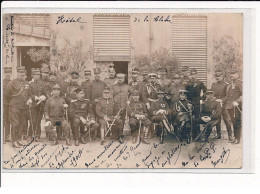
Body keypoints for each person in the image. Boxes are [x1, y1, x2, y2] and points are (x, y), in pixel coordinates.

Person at [5, 66, 30, 148]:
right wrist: (12, 103)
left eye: (23, 74)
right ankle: (14, 141)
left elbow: (29, 94)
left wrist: (29, 99)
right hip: (14, 107)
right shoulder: (12, 83)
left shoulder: (26, 83)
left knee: (21, 124)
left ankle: (18, 140)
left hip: (24, 107)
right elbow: (7, 95)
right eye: (20, 74)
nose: (22, 76)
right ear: (17, 74)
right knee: (15, 124)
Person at [222, 68, 242, 144]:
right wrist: (221, 101)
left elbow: (243, 94)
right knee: (233, 122)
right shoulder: (230, 84)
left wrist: (237, 101)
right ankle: (235, 138)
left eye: (233, 74)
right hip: (229, 106)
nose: (231, 75)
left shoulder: (240, 83)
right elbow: (227, 96)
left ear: (238, 75)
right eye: (231, 74)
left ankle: (237, 139)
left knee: (237, 122)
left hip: (236, 106)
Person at [185, 68, 207, 139]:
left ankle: (197, 133)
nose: (193, 76)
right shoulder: (188, 83)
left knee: (197, 117)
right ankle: (189, 133)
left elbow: (205, 91)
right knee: (189, 117)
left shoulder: (200, 83)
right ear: (190, 75)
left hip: (197, 102)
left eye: (194, 74)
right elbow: (185, 93)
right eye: (192, 74)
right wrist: (187, 101)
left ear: (196, 74)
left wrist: (202, 99)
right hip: (189, 102)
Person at [27, 68, 47, 141]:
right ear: (32, 75)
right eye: (36, 74)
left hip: (40, 104)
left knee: (39, 120)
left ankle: (37, 135)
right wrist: (35, 97)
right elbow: (28, 94)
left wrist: (44, 97)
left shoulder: (42, 83)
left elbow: (45, 93)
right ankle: (30, 135)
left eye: (38, 74)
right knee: (33, 120)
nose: (38, 76)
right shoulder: (29, 83)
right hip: (33, 105)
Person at [211, 69, 230, 140]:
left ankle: (230, 135)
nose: (217, 77)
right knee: (217, 120)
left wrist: (221, 100)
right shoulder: (214, 85)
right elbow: (212, 94)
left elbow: (228, 96)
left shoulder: (226, 85)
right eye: (216, 76)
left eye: (219, 76)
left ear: (223, 76)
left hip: (224, 105)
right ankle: (218, 134)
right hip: (216, 105)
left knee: (227, 120)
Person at [111, 73, 129, 143]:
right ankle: (114, 134)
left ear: (124, 79)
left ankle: (120, 135)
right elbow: (111, 96)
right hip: (115, 107)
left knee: (122, 121)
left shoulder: (127, 86)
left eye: (121, 78)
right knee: (115, 121)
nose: (120, 79)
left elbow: (132, 94)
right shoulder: (113, 87)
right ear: (116, 79)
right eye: (118, 78)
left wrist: (129, 100)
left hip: (123, 106)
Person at [3, 67, 12, 143]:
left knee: (8, 120)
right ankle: (2, 137)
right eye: (6, 73)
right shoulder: (2, 82)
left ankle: (7, 136)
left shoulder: (12, 83)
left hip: (10, 104)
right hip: (3, 104)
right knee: (3, 120)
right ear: (4, 73)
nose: (8, 74)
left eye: (9, 73)